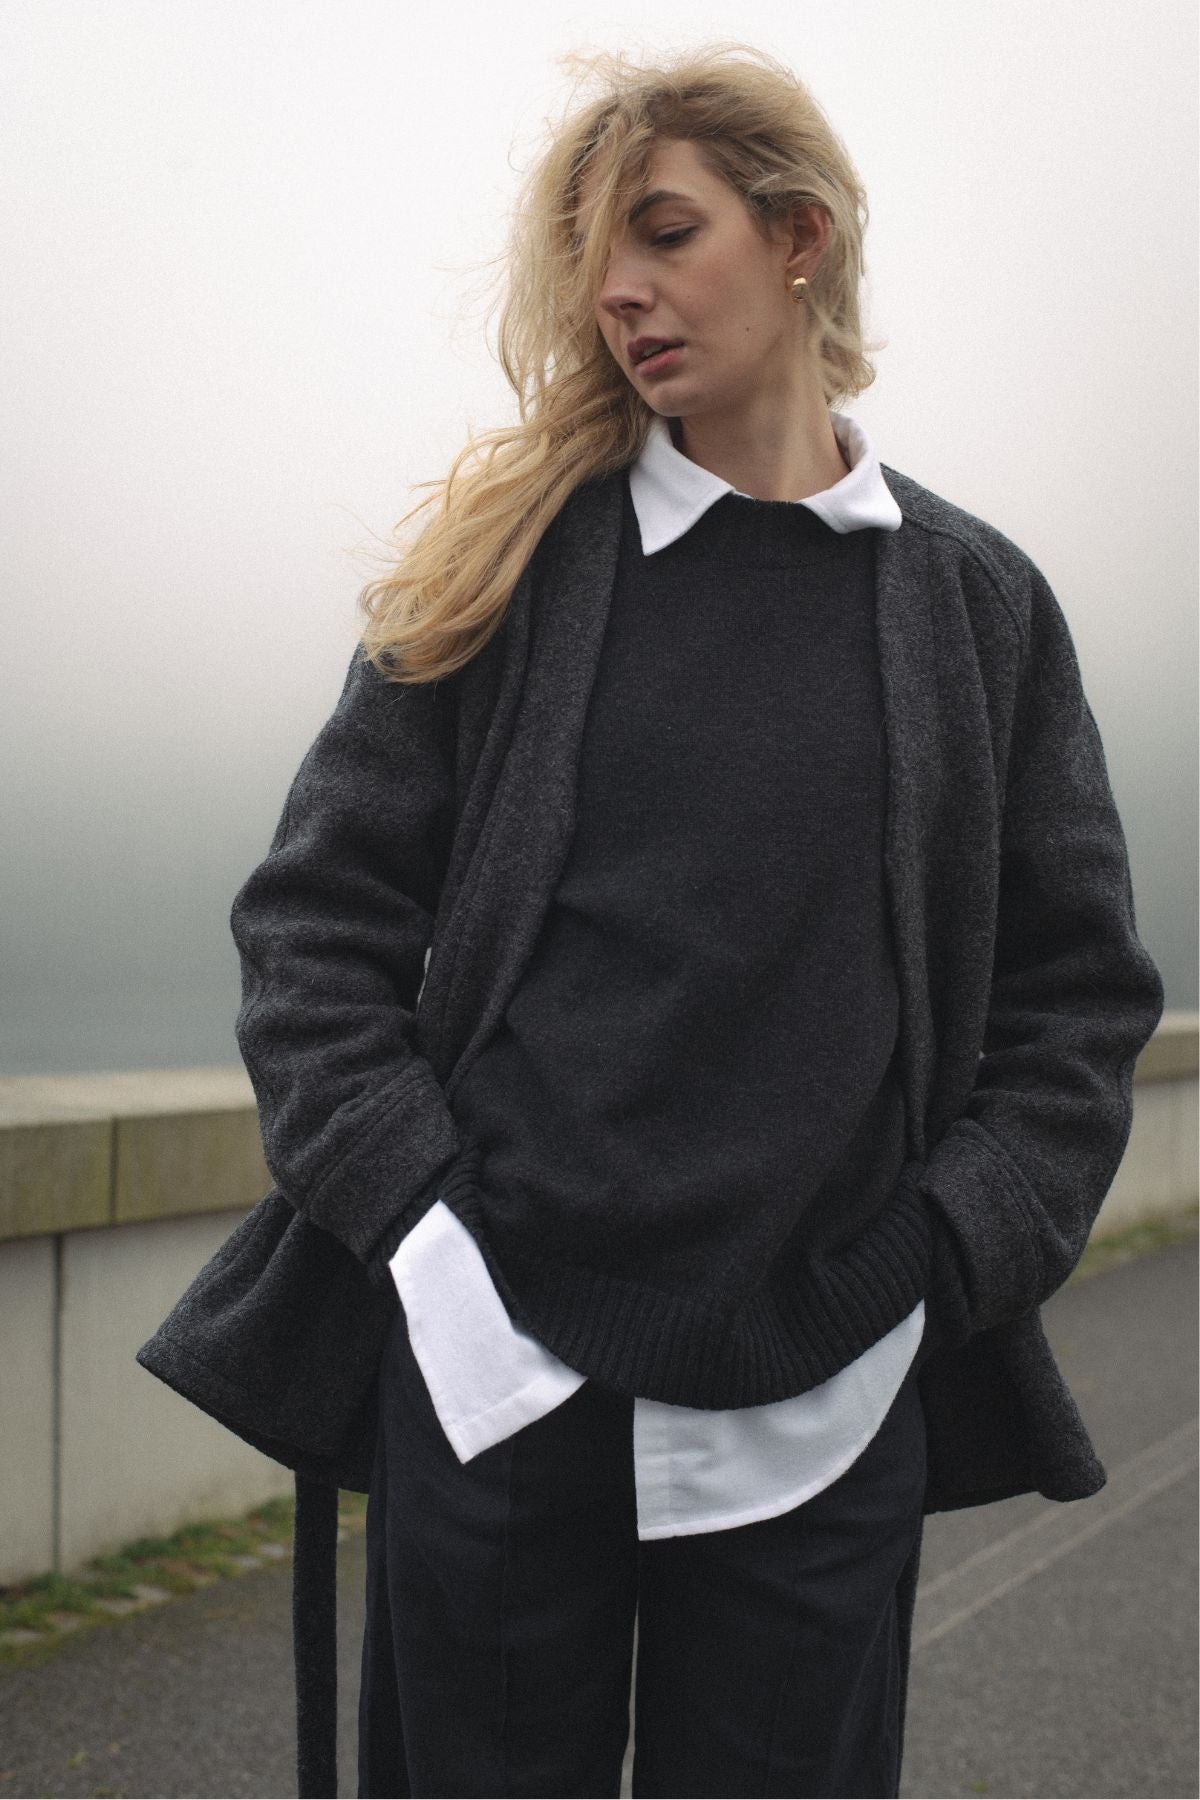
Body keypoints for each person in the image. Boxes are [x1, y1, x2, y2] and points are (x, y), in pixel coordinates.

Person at [136, 41, 1165, 1800]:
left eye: (667, 234)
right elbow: (311, 934)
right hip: (501, 1384)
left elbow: (1074, 1006)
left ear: (801, 238)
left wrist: (933, 1263)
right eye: (595, 258)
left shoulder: (975, 608)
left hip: (826, 1399)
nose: (620, 293)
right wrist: (430, 1246)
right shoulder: (509, 571)